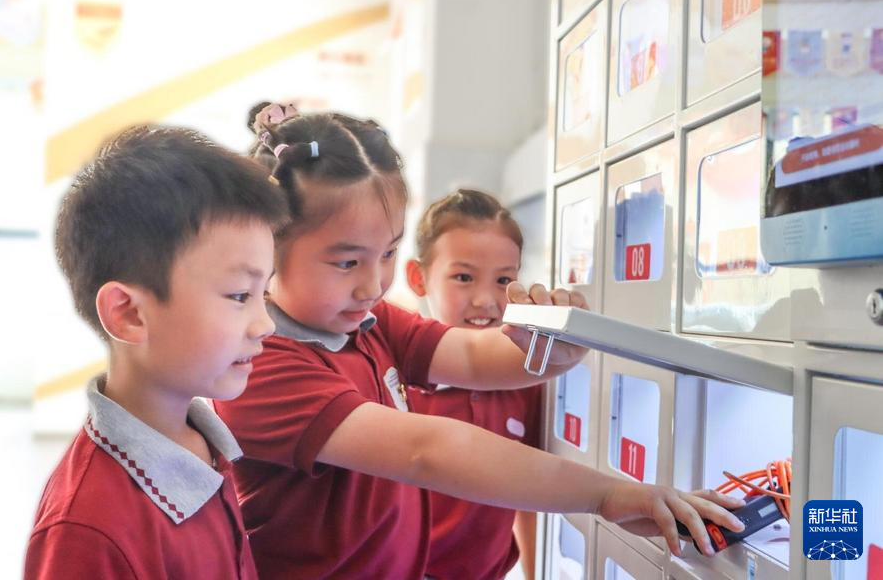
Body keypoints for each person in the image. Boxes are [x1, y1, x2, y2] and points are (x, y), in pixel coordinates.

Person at [216, 104, 746, 580]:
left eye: (388, 253)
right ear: (268, 245)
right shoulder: (261, 364)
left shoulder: (366, 322)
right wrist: (606, 494)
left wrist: (551, 347)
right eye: (348, 261)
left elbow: (472, 355)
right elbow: (427, 452)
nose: (372, 284)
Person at [24, 126, 287, 579]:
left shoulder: (202, 441)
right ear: (129, 314)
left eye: (265, 292)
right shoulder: (87, 530)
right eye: (239, 295)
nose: (266, 324)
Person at [404, 188, 542, 580]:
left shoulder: (526, 380)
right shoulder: (396, 377)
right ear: (418, 277)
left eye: (503, 280)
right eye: (463, 277)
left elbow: (529, 495)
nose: (485, 300)